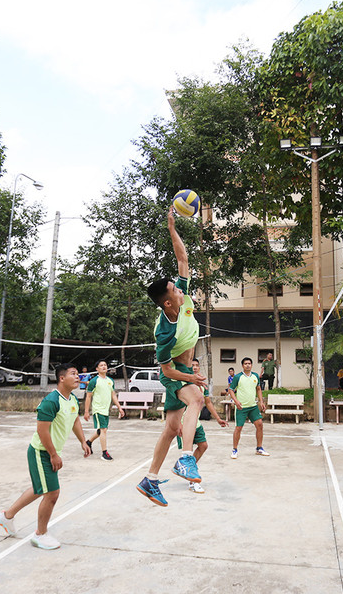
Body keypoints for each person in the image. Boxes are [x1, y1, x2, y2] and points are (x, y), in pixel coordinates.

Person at [136, 207, 207, 507]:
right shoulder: (164, 332)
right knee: (197, 399)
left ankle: (150, 479)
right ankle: (186, 458)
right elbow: (166, 371)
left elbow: (183, 259)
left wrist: (171, 228)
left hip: (183, 367)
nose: (179, 288)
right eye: (174, 289)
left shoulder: (182, 296)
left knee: (171, 428)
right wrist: (191, 376)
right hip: (175, 370)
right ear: (167, 302)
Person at [0, 364, 91, 550]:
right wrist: (53, 455)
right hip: (41, 452)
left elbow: (75, 420)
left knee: (40, 489)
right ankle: (40, 534)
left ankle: (6, 516)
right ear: (61, 378)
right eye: (73, 374)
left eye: (78, 374)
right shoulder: (51, 401)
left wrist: (83, 441)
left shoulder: (71, 399)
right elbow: (42, 430)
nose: (78, 377)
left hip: (50, 451)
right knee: (52, 493)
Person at [174, 358, 229, 493]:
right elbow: (177, 405)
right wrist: (178, 423)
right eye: (192, 365)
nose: (195, 367)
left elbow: (208, 403)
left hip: (196, 423)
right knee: (188, 451)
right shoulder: (183, 384)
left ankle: (189, 471)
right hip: (185, 423)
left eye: (197, 365)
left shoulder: (201, 386)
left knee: (203, 446)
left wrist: (218, 418)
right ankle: (193, 481)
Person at [83, 360, 125, 461]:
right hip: (98, 409)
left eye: (105, 365)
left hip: (106, 409)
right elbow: (88, 397)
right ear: (97, 369)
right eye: (101, 365)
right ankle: (104, 453)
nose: (103, 367)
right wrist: (86, 411)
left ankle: (88, 442)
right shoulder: (94, 381)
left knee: (101, 430)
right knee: (103, 430)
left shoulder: (110, 381)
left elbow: (113, 395)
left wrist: (119, 407)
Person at [228, 357, 269, 458]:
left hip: (253, 407)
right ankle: (234, 450)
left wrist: (261, 401)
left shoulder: (255, 376)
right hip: (241, 408)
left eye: (249, 363)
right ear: (242, 365)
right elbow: (231, 390)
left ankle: (259, 448)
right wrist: (236, 401)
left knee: (259, 425)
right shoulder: (238, 377)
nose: (247, 365)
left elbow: (258, 389)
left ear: (251, 365)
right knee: (238, 428)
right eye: (245, 363)